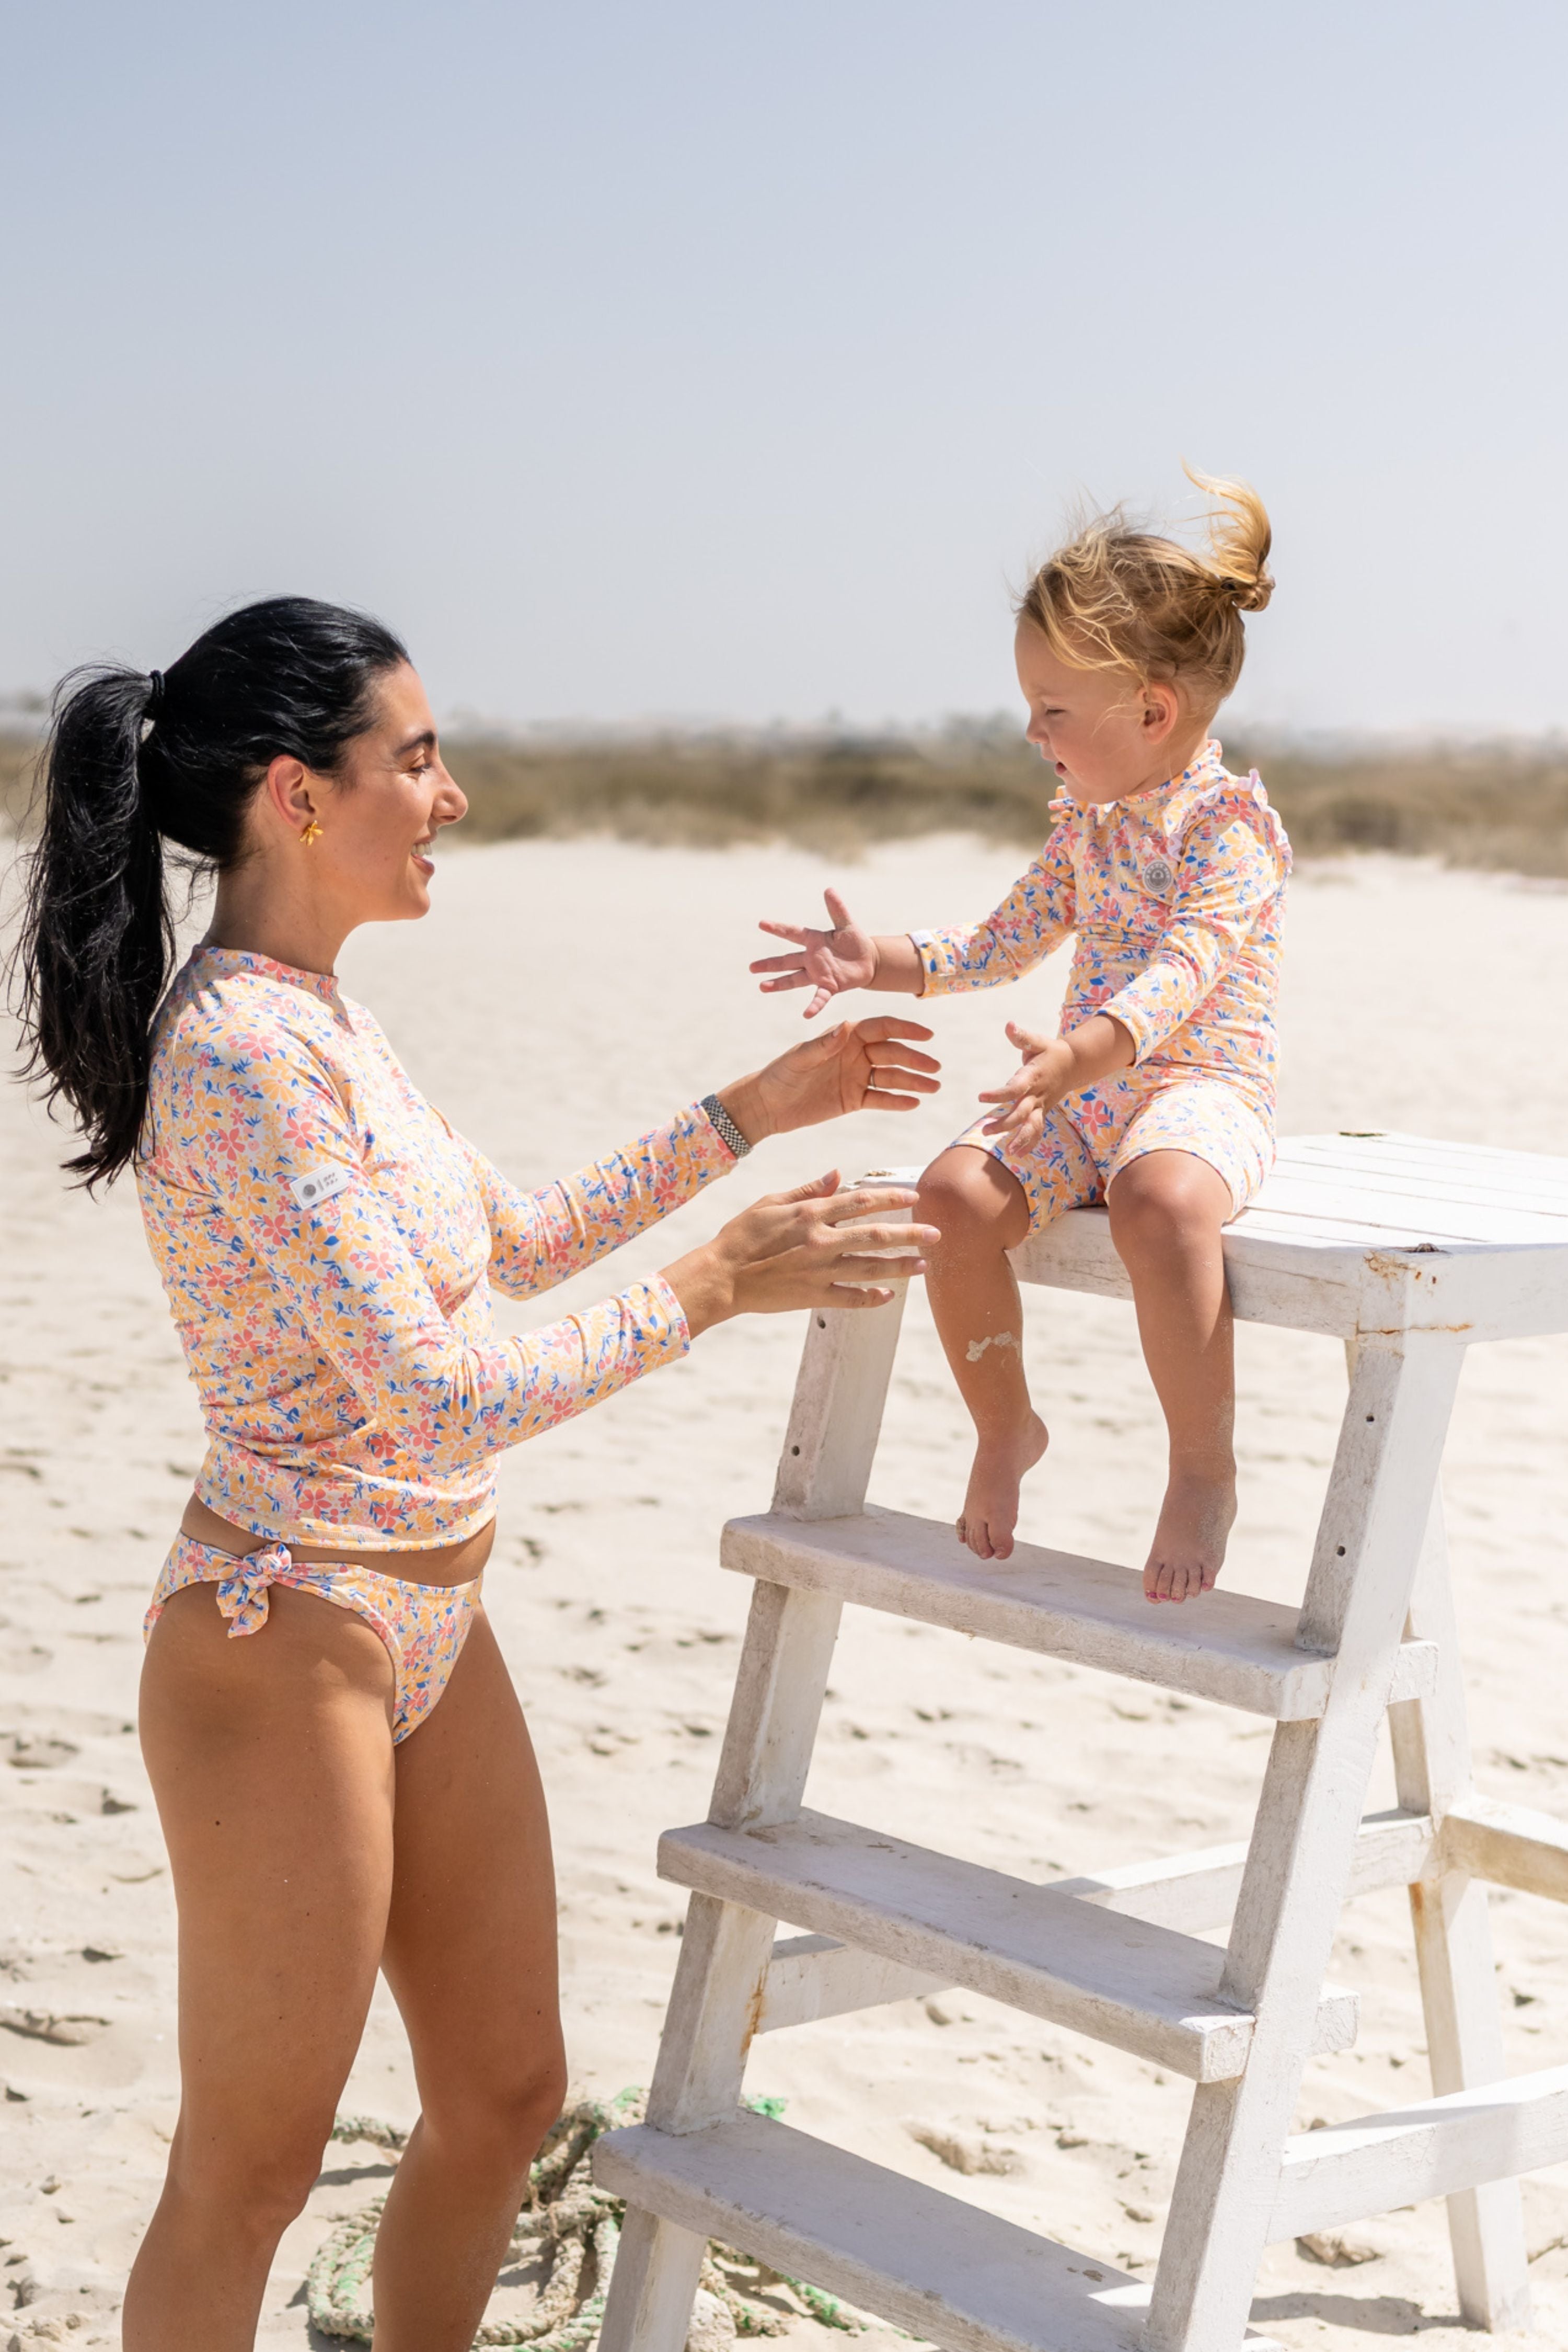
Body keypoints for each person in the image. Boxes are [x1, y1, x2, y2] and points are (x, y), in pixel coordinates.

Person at [13, 595, 942, 2352]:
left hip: (434, 1621)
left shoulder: (327, 1017)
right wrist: (714, 1285)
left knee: (506, 2092)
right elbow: (440, 1398)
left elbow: (511, 1242)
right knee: (252, 2171)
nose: (451, 797)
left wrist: (755, 1109)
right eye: (419, 759)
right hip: (284, 1637)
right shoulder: (240, 1053)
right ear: (298, 794)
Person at [750, 471, 1289, 1604]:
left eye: (1053, 711)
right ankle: (1007, 1425)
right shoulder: (1089, 827)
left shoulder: (1228, 831)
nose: (1031, 730)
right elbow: (1001, 942)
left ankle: (1203, 1467)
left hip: (1198, 1090)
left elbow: (1182, 978)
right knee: (948, 1200)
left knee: (1161, 1204)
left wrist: (1079, 1057)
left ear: (1152, 712)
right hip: (1079, 1089)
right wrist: (874, 958)